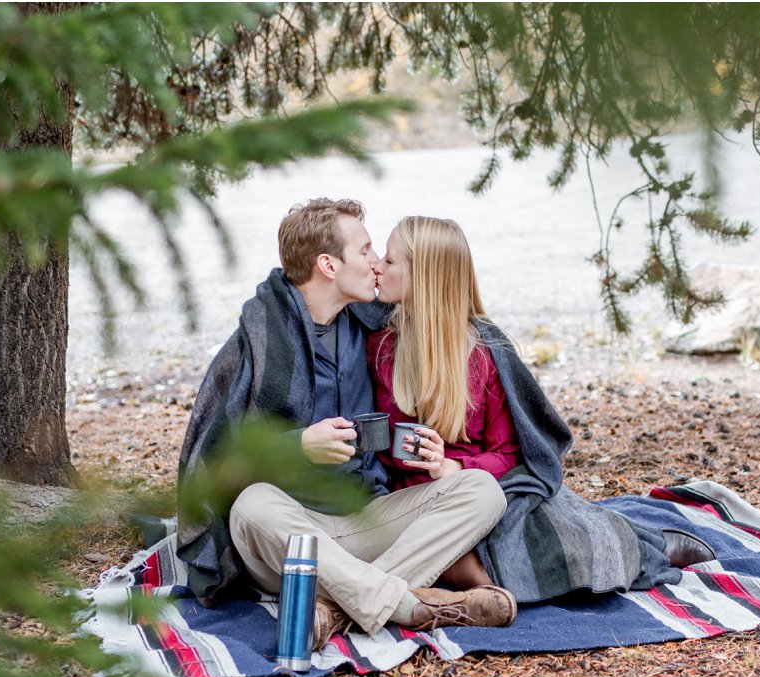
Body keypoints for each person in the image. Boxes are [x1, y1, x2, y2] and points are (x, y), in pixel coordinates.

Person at [175, 198, 518, 649]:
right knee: (251, 505)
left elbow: (438, 313)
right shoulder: (257, 345)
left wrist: (439, 459)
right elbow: (214, 465)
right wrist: (298, 447)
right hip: (291, 538)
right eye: (366, 251)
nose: (377, 264)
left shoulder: (370, 330)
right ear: (328, 265)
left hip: (367, 523)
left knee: (481, 490)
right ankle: (410, 606)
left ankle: (339, 609)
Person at [368, 217, 714, 600]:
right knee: (458, 555)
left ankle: (643, 545)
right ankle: (486, 594)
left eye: (390, 260)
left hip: (490, 488)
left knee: (563, 536)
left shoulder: (484, 353)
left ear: (425, 277)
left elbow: (512, 453)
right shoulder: (381, 346)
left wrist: (453, 467)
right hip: (417, 501)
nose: (377, 267)